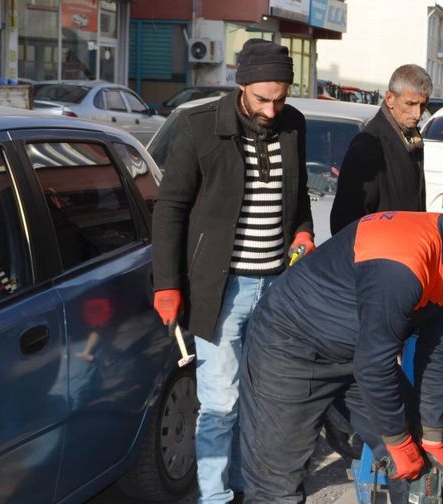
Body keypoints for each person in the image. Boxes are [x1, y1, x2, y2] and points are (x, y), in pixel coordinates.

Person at [239, 210, 443, 503]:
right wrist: (397, 441)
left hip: (359, 354)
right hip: (288, 350)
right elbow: (373, 366)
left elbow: (439, 355)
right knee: (275, 486)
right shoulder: (401, 264)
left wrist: (431, 436)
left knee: (420, 462)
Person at [151, 39, 314, 504]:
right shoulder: (199, 127)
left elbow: (297, 194)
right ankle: (215, 496)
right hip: (221, 289)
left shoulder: (293, 125)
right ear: (241, 85)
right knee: (221, 402)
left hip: (278, 288)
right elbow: (170, 210)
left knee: (261, 400)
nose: (271, 108)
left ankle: (246, 487)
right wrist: (167, 283)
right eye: (263, 98)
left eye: (281, 98)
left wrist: (302, 231)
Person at [329, 65, 431, 234]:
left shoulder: (410, 136)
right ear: (390, 98)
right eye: (410, 104)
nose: (417, 113)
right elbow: (345, 221)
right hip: (381, 253)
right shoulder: (368, 145)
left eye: (423, 105)